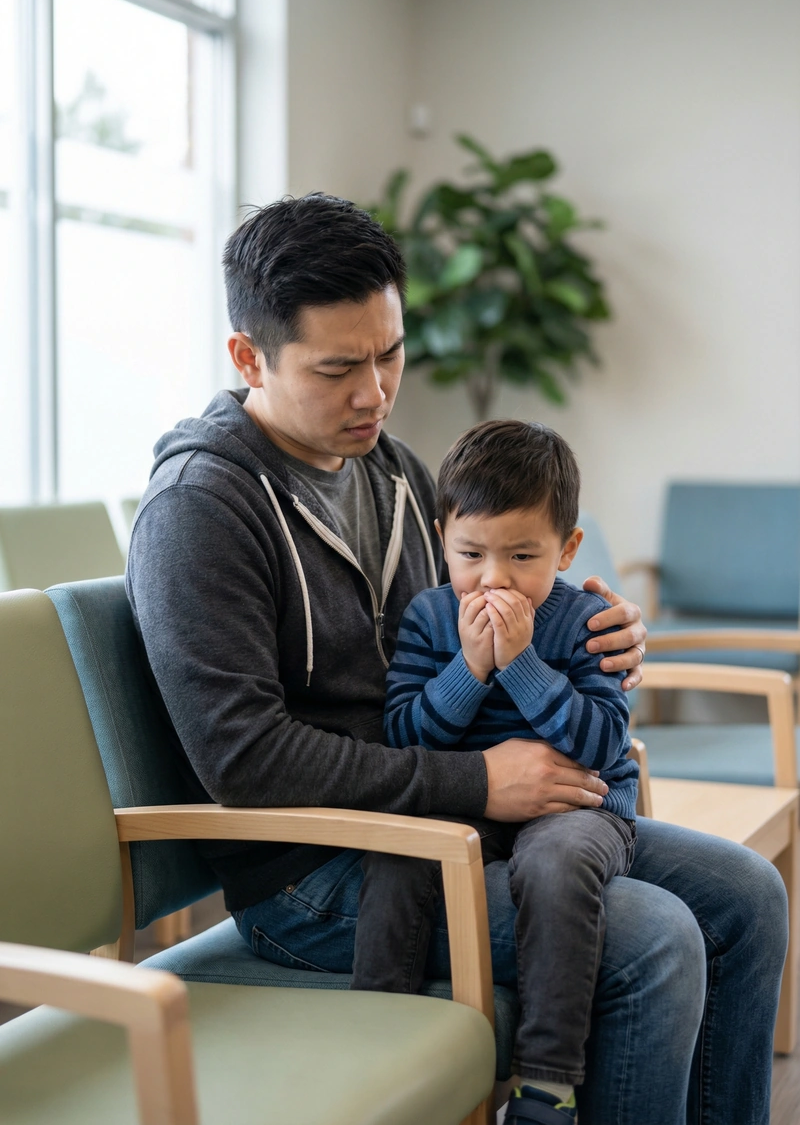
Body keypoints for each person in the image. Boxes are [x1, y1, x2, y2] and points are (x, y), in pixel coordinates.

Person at [126, 193, 787, 1125]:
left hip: (452, 821)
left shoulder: (389, 468)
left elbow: (457, 627)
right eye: (338, 367)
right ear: (248, 357)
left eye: (390, 353)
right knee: (652, 940)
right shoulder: (199, 510)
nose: (376, 393)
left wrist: (582, 625)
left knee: (749, 897)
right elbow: (245, 761)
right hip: (325, 871)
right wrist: (473, 783)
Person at [351, 419, 638, 1124]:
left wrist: (522, 665)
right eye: (471, 553)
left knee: (557, 867)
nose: (493, 579)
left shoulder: (585, 622)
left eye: (521, 556)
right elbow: (406, 735)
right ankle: (374, 1046)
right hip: (467, 800)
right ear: (442, 540)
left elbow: (603, 742)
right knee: (396, 857)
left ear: (566, 550)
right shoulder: (429, 618)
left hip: (575, 810)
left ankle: (547, 1083)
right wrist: (470, 667)